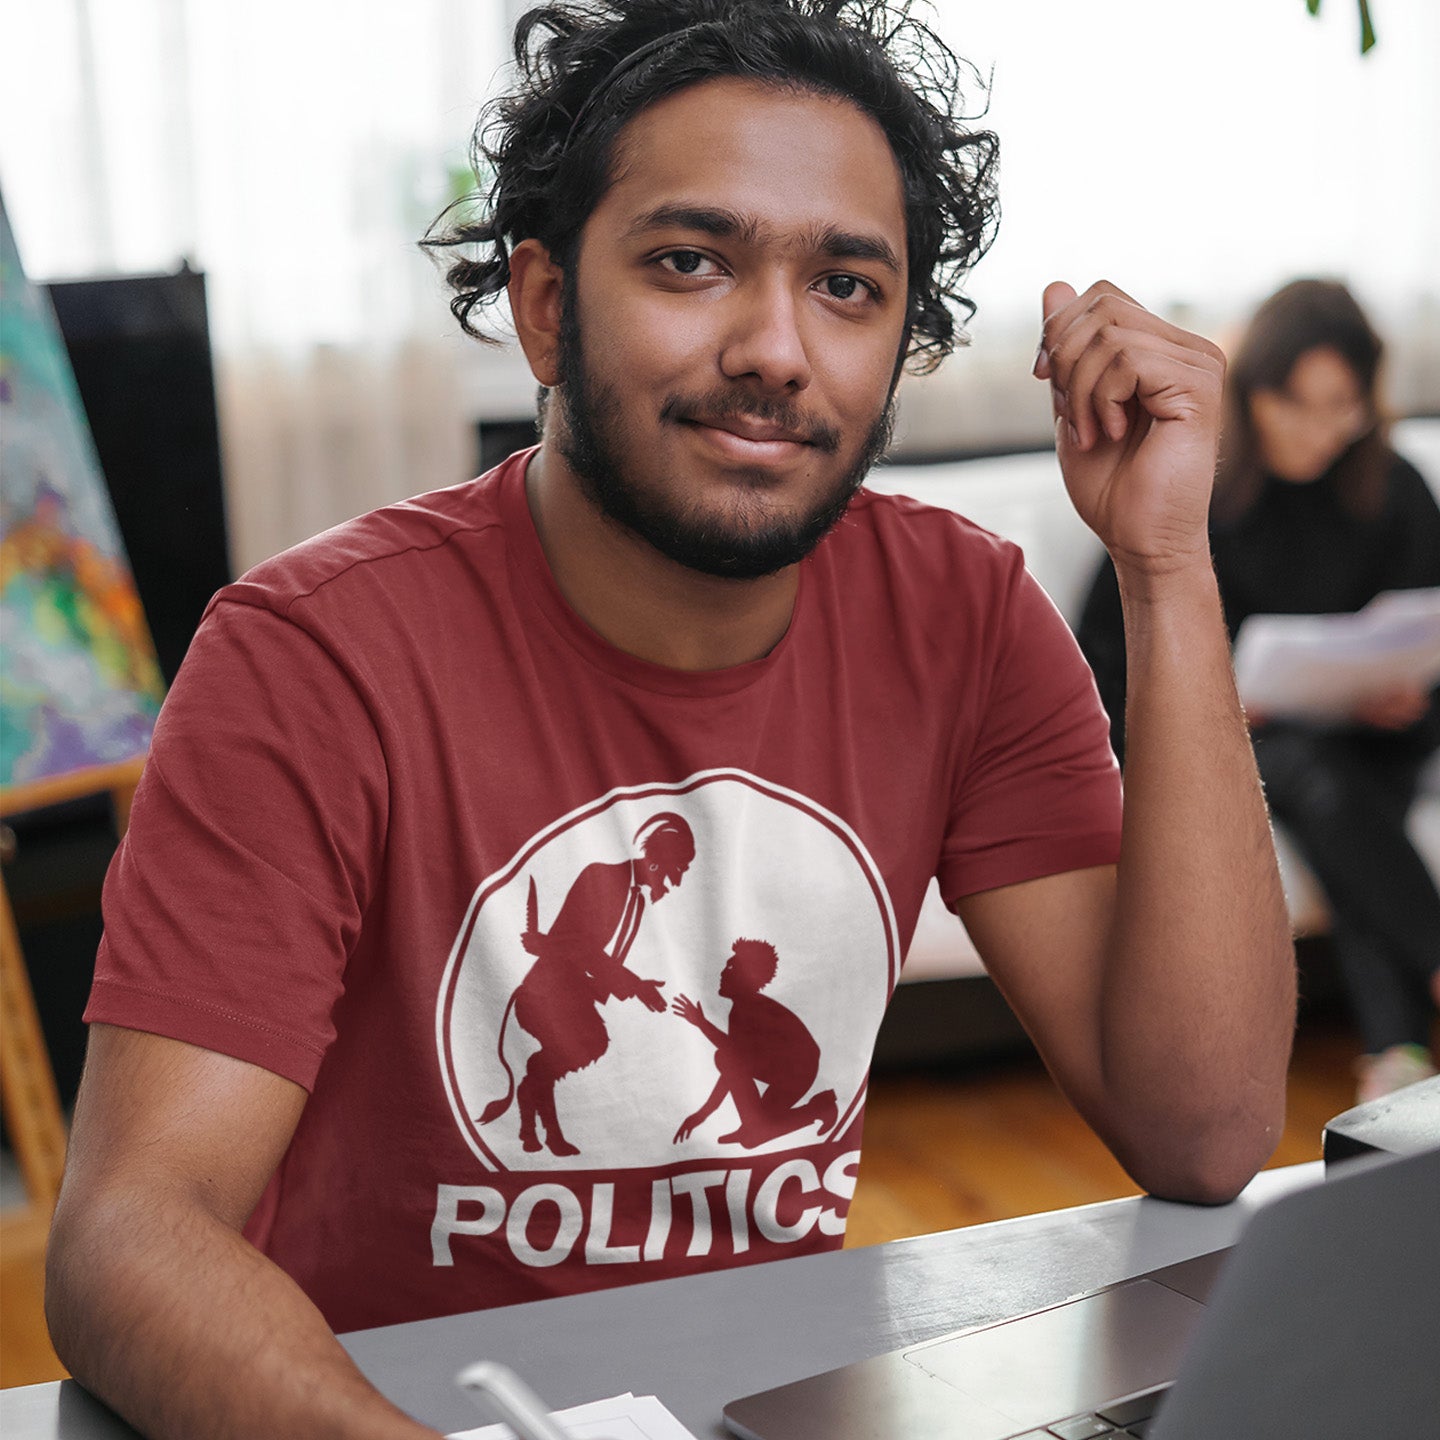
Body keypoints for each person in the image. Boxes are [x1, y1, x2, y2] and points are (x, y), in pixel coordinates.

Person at [45, 3, 1295, 1437]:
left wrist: (1167, 565)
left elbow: (1203, 1133)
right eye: (692, 262)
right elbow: (128, 1239)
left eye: (845, 286)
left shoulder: (967, 620)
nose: (775, 347)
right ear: (545, 305)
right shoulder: (309, 657)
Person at [1077, 278, 1440, 1103]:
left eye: (1340, 406)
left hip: (1366, 747)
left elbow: (1429, 649)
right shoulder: (1192, 487)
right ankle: (1419, 1002)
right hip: (1243, 753)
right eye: (1294, 403)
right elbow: (1100, 657)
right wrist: (1205, 708)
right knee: (1320, 778)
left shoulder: (1394, 491)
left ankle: (1398, 1063)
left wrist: (1404, 702)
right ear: (1252, 393)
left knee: (1337, 790)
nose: (1318, 430)